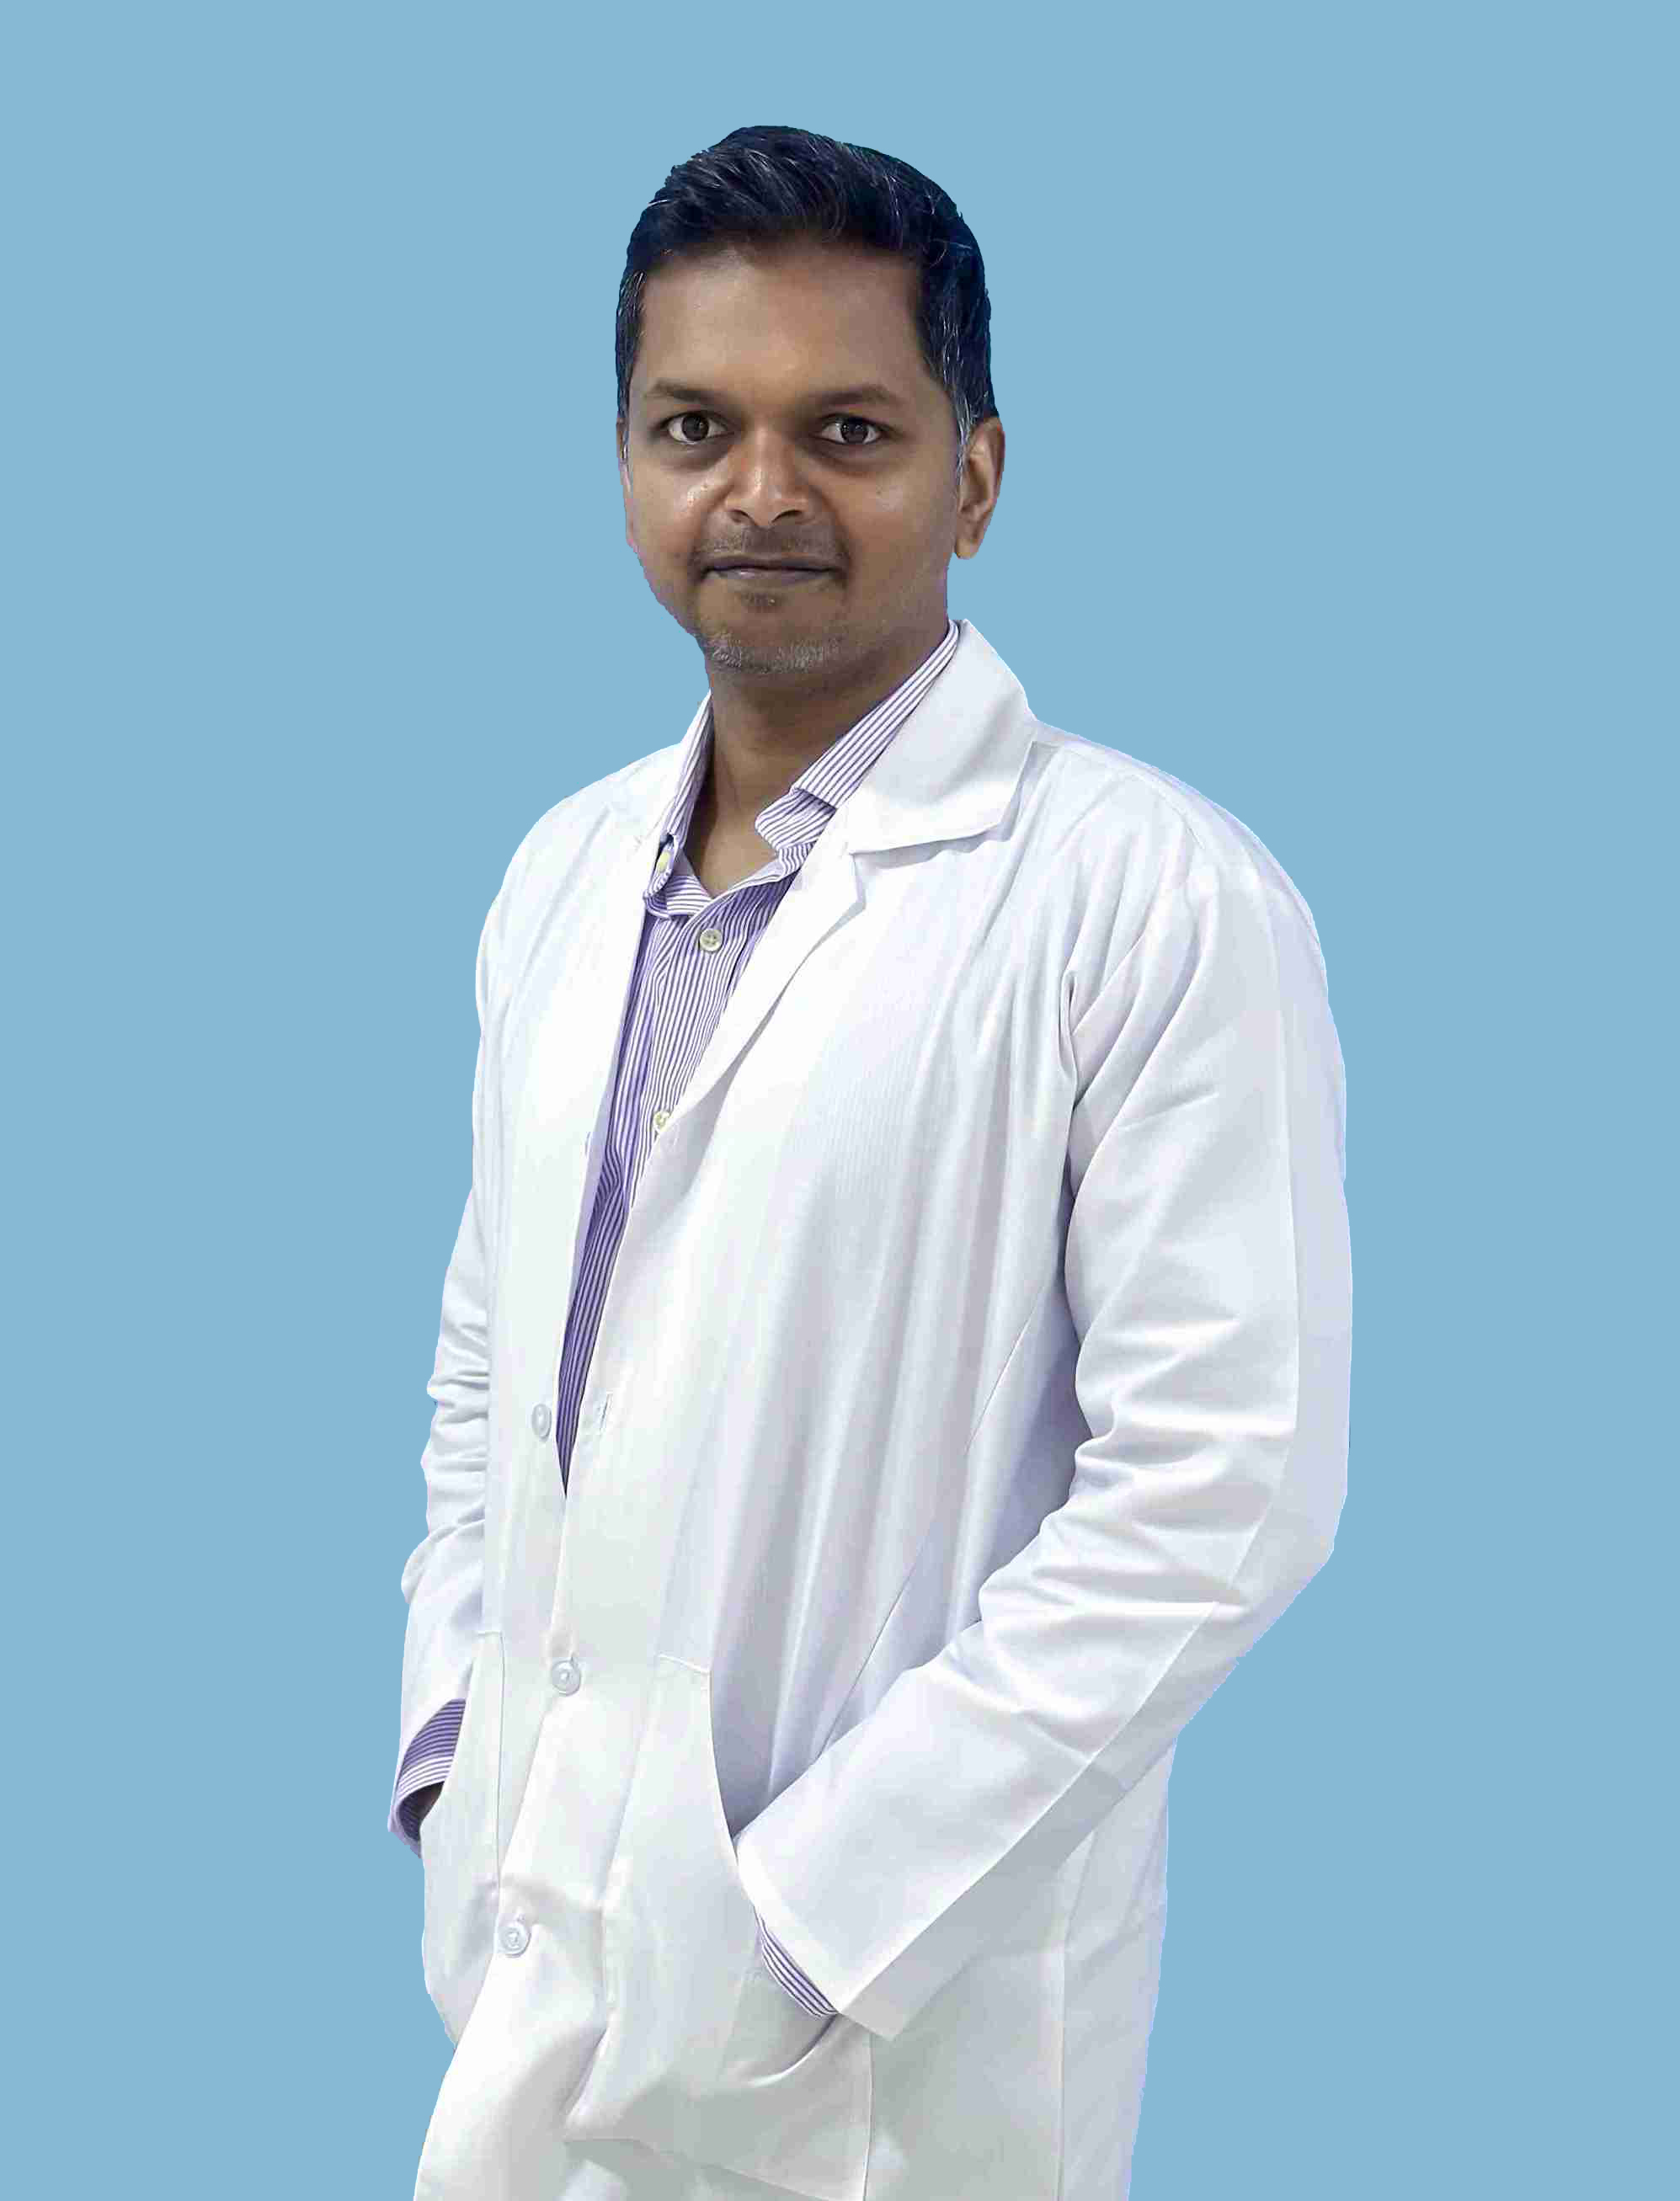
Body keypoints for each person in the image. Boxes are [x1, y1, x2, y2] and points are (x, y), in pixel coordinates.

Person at [391, 122, 1352, 2201]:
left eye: (845, 430)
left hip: (893, 2041)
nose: (760, 491)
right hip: (531, 1953)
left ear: (975, 477)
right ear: (624, 464)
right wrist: (459, 1743)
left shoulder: (1148, 897)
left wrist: (809, 1914)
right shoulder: (560, 875)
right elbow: (494, 1367)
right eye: (693, 426)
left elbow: (1222, 1486)